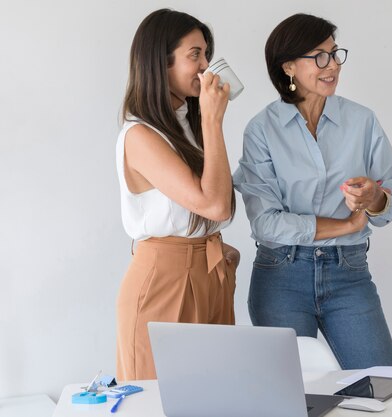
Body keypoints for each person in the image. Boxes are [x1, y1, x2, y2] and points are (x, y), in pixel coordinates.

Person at [233, 13, 392, 369]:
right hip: (281, 276)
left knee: (384, 385)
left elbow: (388, 207)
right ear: (289, 66)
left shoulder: (363, 121)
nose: (332, 66)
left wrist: (374, 199)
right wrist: (346, 226)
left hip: (349, 272)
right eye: (320, 57)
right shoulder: (261, 130)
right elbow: (266, 223)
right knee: (288, 397)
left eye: (335, 54)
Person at [115, 9, 238, 380]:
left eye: (206, 54)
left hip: (209, 272)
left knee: (214, 396)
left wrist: (213, 250)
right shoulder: (140, 136)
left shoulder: (188, 125)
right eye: (195, 55)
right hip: (165, 280)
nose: (205, 68)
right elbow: (214, 204)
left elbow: (219, 206)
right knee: (159, 400)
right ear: (160, 62)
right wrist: (213, 121)